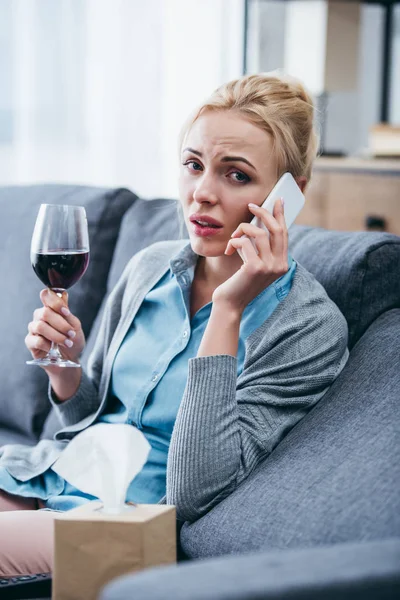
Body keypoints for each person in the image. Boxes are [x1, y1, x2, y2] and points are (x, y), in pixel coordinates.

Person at [0, 72, 349, 576]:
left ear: (288, 195)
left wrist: (227, 311)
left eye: (236, 175)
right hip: (46, 481)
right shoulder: (151, 267)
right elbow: (78, 424)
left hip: (133, 525)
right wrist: (66, 373)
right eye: (193, 165)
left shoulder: (307, 328)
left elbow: (196, 488)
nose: (201, 193)